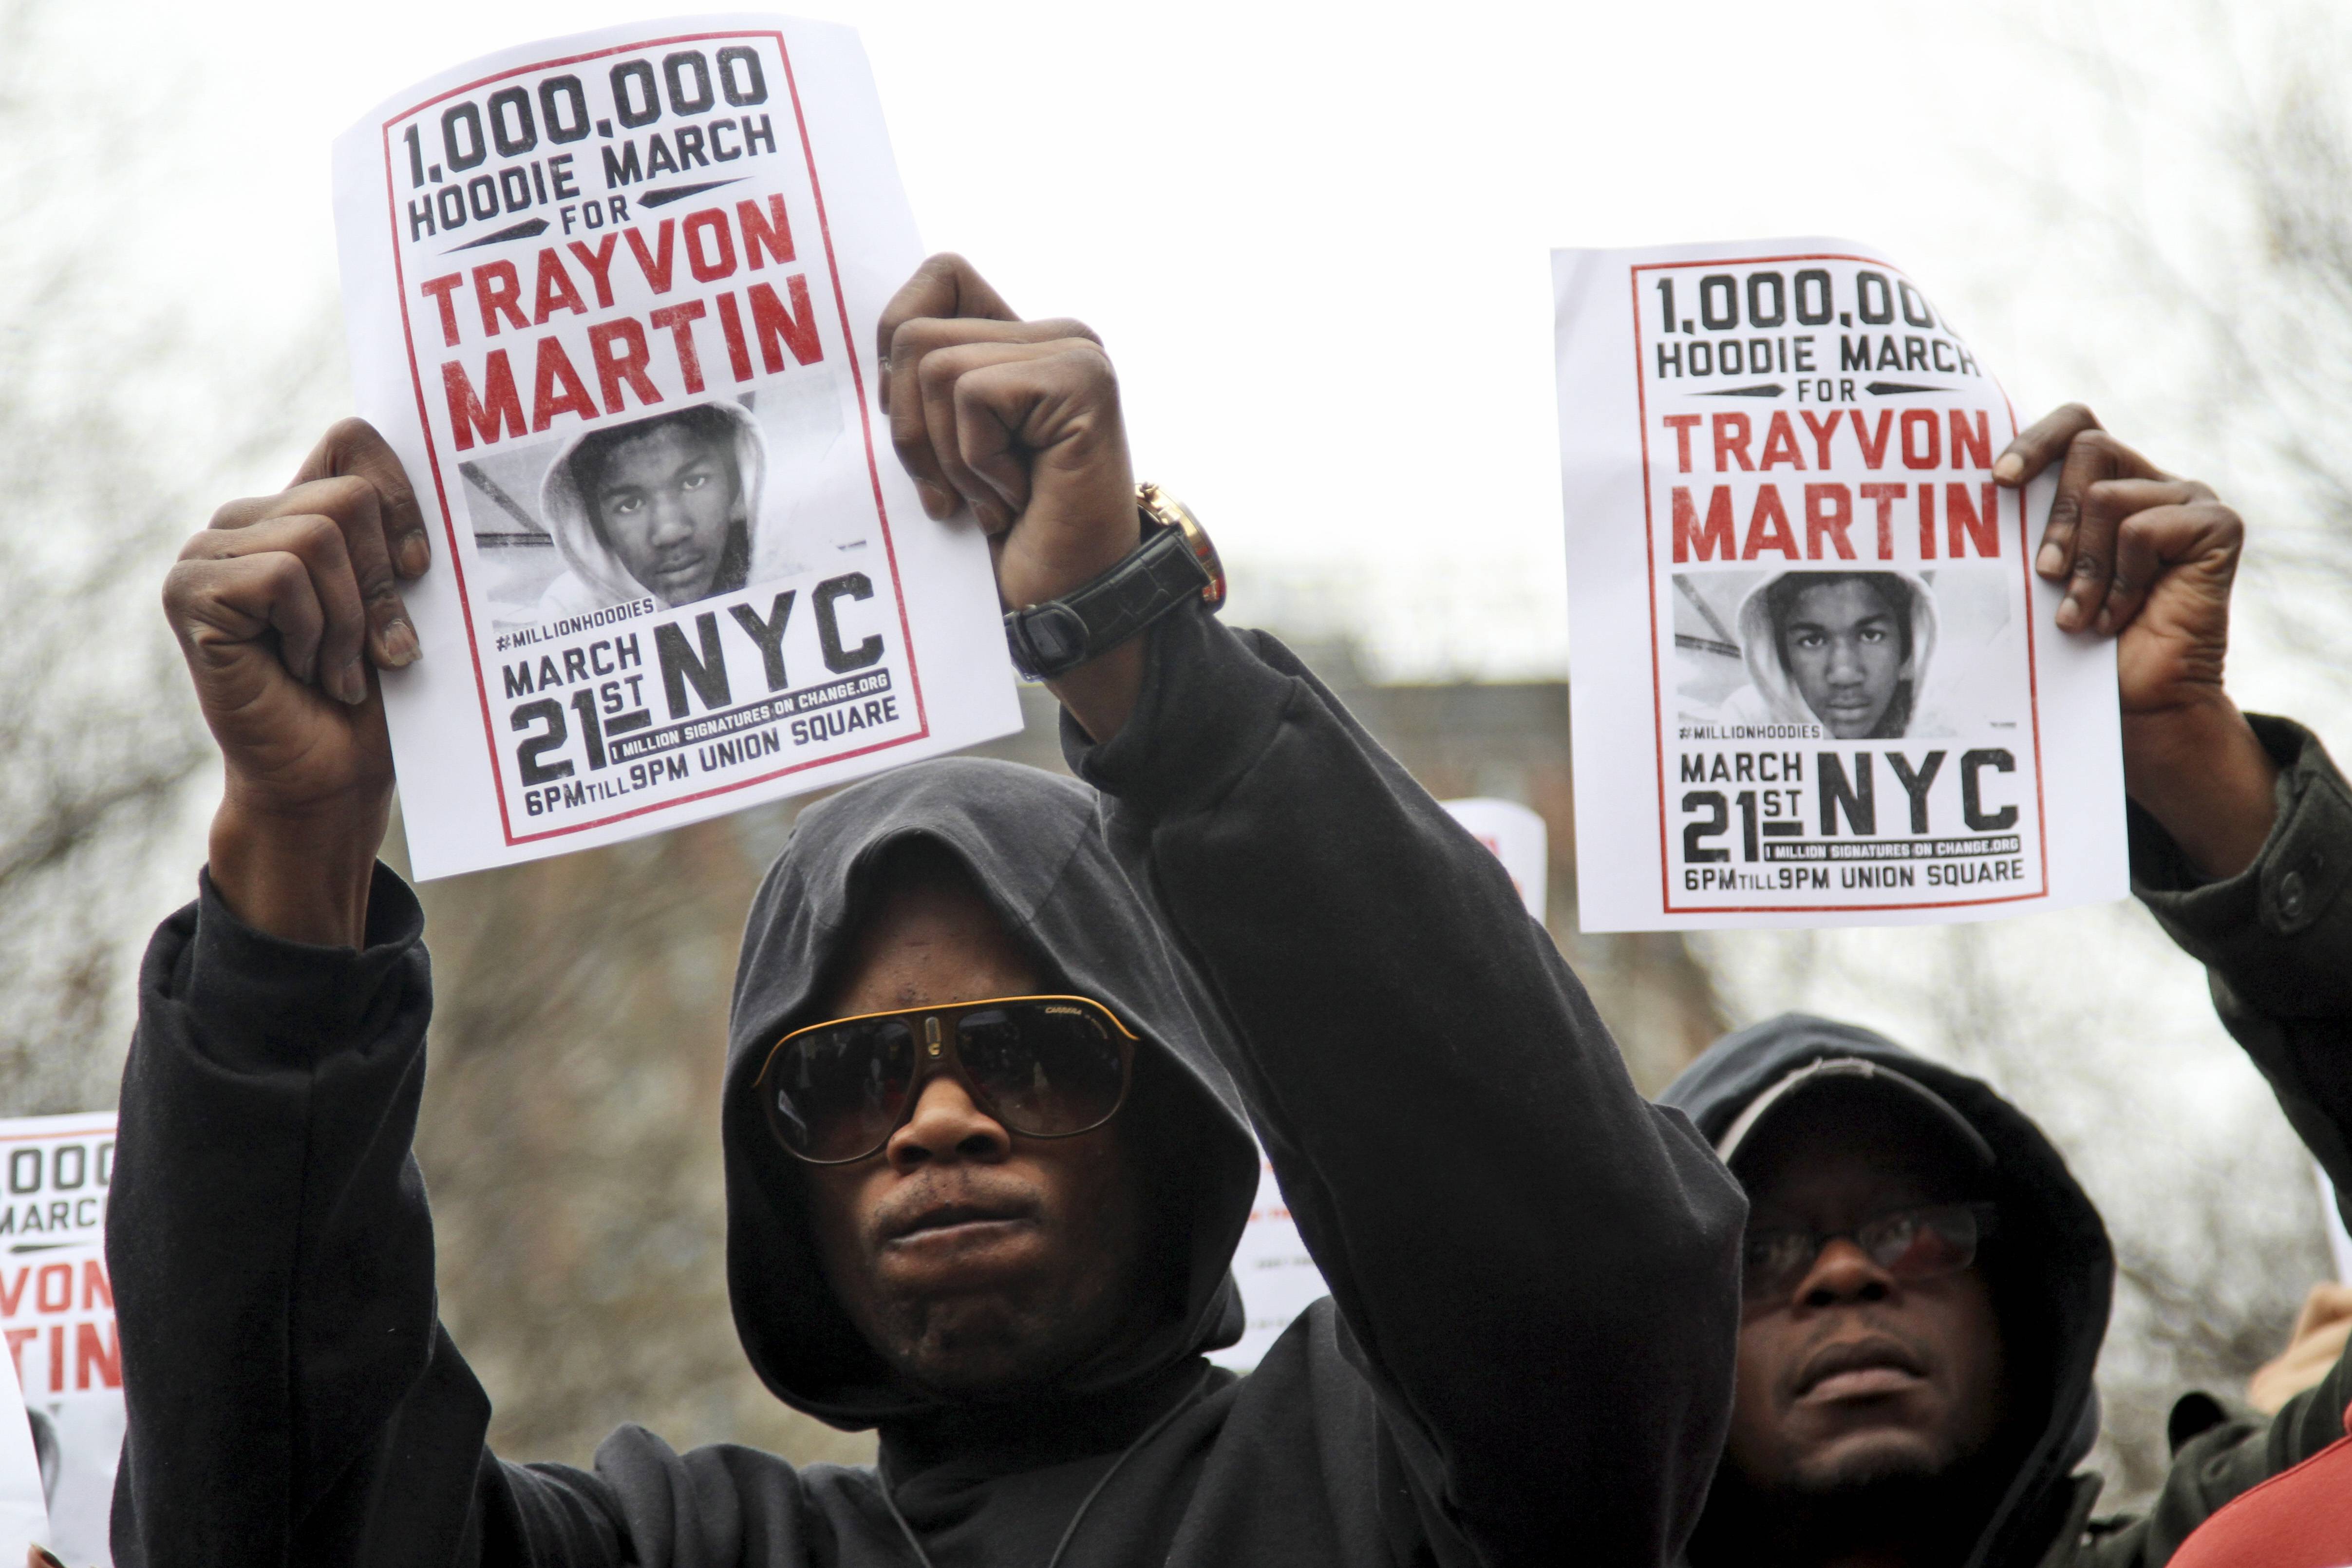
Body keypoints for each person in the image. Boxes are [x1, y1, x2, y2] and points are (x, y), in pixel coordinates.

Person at [114, 254, 1744, 1567]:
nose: (940, 1115)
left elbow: (1586, 1284)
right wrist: (296, 865)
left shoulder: (1385, 1481)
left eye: (1029, 1049)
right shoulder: (689, 1542)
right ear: (771, 1162)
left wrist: (1138, 653)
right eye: (845, 1075)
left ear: (1170, 1101)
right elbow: (270, 1517)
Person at [1665, 405, 2352, 1566]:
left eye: (1911, 1227)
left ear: (2023, 1308)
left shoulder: (2226, 1543)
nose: (1842, 1273)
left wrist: (2187, 754)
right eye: (1756, 1249)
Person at [537, 398, 766, 616]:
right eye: (630, 505)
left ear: (736, 492)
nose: (670, 533)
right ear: (596, 527)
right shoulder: (570, 607)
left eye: (693, 482)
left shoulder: (785, 565)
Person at [1717, 568, 1937, 738]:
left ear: (1908, 653)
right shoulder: (1748, 718)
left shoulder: (1944, 729)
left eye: (1871, 635)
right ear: (1782, 658)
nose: (1845, 675)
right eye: (1813, 641)